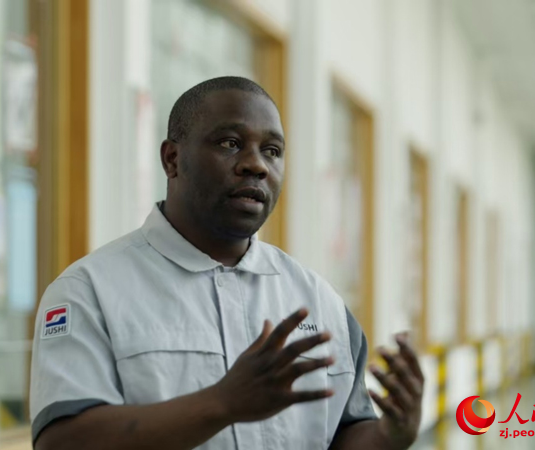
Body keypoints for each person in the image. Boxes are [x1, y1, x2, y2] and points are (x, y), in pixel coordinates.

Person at [30, 76, 424, 450]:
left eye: (272, 151)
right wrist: (222, 403)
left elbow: (346, 433)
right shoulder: (90, 291)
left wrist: (389, 436)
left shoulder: (320, 301)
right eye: (231, 143)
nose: (256, 164)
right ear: (172, 159)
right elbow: (63, 441)